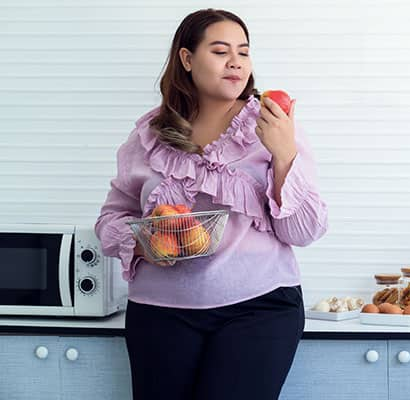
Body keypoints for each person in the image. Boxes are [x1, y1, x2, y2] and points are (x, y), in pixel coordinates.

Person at [94, 8, 328, 400]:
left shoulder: (274, 125)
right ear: (187, 59)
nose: (236, 61)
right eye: (220, 51)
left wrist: (284, 155)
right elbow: (111, 218)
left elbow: (303, 232)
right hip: (159, 311)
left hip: (259, 308)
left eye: (244, 51)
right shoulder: (150, 134)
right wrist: (145, 243)